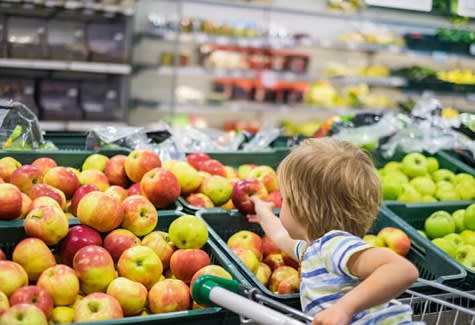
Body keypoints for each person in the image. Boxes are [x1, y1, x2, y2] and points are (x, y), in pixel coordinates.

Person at [248, 138, 419, 325]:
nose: (281, 206)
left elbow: (403, 270)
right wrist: (263, 211)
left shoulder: (334, 245)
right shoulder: (314, 251)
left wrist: (343, 309)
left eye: (285, 200)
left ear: (302, 209)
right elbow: (280, 236)